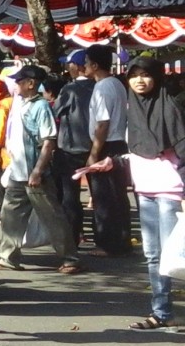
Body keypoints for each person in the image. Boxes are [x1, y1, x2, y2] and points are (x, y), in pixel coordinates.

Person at [90, 56, 183, 330]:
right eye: (135, 75)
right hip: (145, 191)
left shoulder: (171, 107)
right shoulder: (133, 110)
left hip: (172, 193)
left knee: (176, 255)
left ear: (157, 77)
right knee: (153, 256)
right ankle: (161, 313)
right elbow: (138, 152)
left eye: (146, 75)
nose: (140, 80)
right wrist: (113, 161)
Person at [0, 65, 82, 274]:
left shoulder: (41, 107)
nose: (16, 85)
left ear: (31, 84)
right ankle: (7, 257)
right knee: (10, 215)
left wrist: (38, 171)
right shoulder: (20, 104)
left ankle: (70, 258)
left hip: (34, 173)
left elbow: (48, 141)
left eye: (20, 81)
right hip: (18, 171)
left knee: (52, 216)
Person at [83, 44, 131, 257]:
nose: (84, 66)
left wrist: (94, 153)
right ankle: (121, 240)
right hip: (118, 143)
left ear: (94, 65)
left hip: (107, 145)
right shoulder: (118, 84)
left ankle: (108, 243)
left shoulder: (102, 87)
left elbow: (103, 123)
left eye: (86, 62)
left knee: (104, 197)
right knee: (118, 196)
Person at [53, 50, 95, 244]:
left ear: (77, 67)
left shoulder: (69, 89)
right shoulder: (98, 87)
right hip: (96, 147)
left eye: (69, 64)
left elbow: (56, 111)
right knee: (98, 195)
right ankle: (102, 237)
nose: (66, 68)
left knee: (71, 197)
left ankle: (72, 237)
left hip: (70, 149)